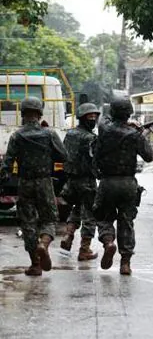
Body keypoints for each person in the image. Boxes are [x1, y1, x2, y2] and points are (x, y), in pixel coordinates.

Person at [0, 97, 68, 276]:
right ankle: (43, 244)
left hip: (25, 183)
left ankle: (35, 264)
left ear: (23, 113)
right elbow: (63, 155)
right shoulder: (49, 134)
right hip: (45, 182)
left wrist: (4, 180)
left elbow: (7, 163)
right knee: (50, 219)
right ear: (39, 113)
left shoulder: (17, 136)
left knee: (28, 223)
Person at [92, 98, 153, 275]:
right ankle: (125, 263)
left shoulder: (104, 129)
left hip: (107, 182)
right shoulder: (134, 135)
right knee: (126, 222)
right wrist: (139, 132)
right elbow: (149, 156)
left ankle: (109, 242)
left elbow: (104, 120)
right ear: (129, 113)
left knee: (104, 217)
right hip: (128, 183)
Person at [60, 103, 101, 261]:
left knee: (76, 210)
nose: (93, 119)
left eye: (94, 116)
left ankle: (68, 235)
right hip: (87, 181)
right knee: (89, 215)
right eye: (89, 117)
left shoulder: (70, 134)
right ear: (83, 118)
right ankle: (84, 249)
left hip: (71, 181)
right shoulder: (91, 138)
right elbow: (96, 159)